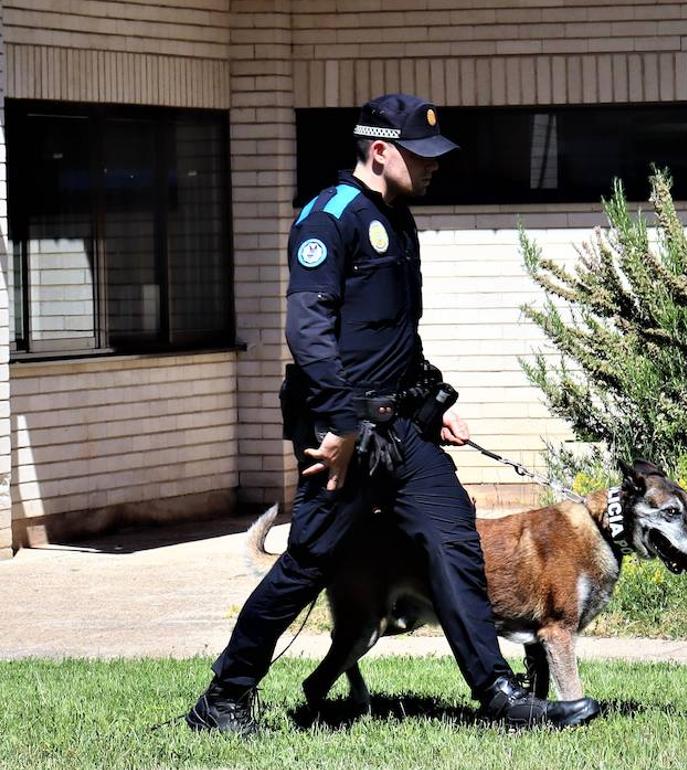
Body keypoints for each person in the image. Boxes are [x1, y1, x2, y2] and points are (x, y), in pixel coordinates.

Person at [186, 94, 602, 736]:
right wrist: (345, 427)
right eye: (420, 155)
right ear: (380, 151)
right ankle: (224, 698)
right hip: (342, 430)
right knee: (309, 561)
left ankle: (498, 697)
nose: (433, 168)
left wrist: (432, 407)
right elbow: (309, 331)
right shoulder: (329, 218)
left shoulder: (399, 220)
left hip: (400, 430)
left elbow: (395, 338)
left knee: (454, 537)